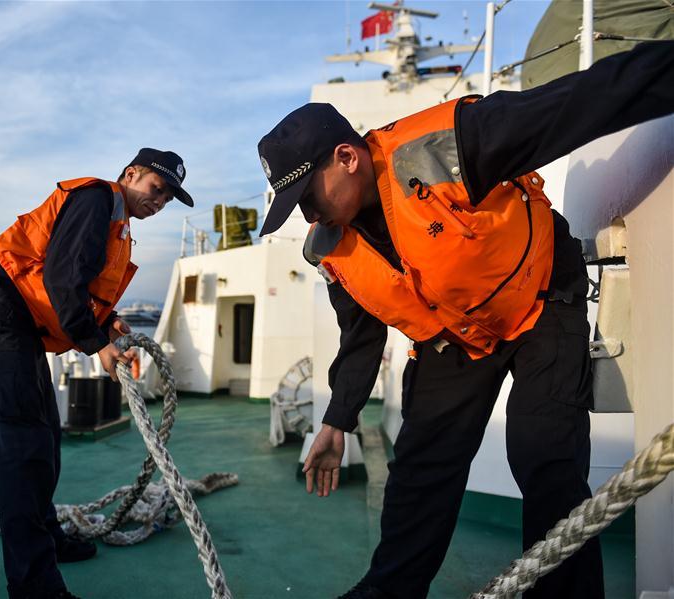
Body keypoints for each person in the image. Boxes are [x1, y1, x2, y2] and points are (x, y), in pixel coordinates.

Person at [256, 40, 674, 599]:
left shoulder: (448, 144)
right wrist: (338, 420)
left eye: (307, 197)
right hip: (457, 338)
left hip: (541, 299)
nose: (307, 215)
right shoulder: (331, 245)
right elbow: (359, 337)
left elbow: (581, 101)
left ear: (347, 158)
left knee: (543, 456)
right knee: (421, 471)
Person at [0, 148, 194, 599]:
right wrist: (97, 345)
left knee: (45, 438)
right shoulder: (94, 201)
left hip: (22, 328)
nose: (160, 201)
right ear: (131, 174)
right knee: (23, 453)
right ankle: (33, 586)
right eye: (157, 188)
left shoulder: (117, 222)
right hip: (2, 320)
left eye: (168, 197)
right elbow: (62, 280)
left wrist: (106, 323)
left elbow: (79, 288)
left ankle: (48, 537)